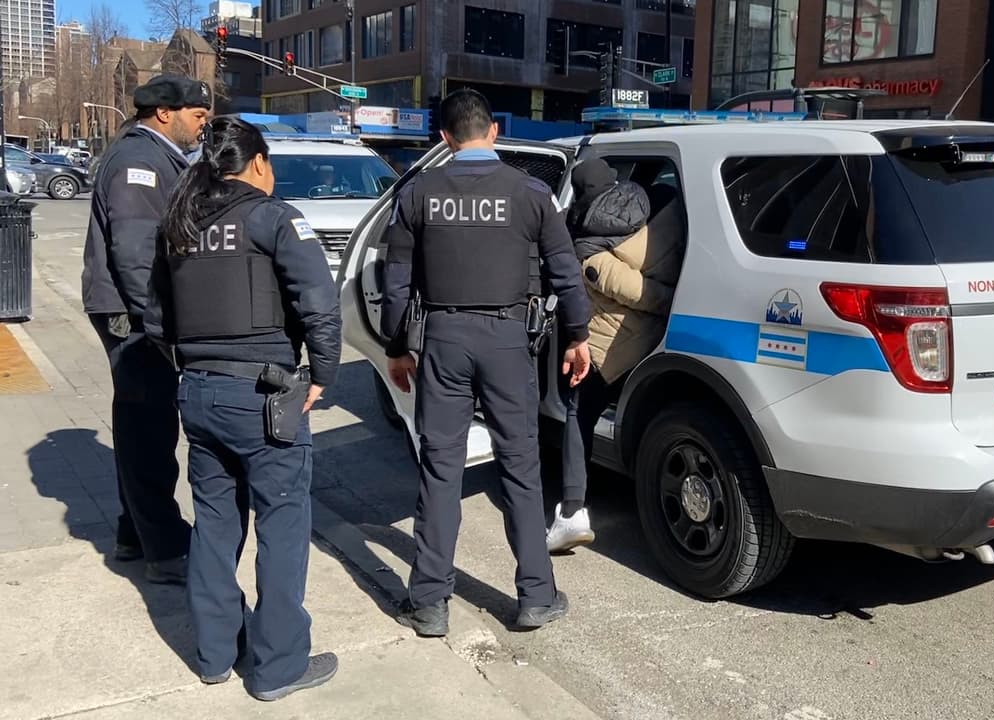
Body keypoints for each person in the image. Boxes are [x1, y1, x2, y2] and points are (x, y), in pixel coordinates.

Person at [380, 88, 593, 635]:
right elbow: (565, 272)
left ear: (445, 138)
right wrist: (576, 335)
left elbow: (395, 279)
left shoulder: (418, 193)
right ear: (493, 131)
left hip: (443, 342)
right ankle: (536, 598)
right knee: (521, 468)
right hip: (506, 341)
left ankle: (428, 602)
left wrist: (395, 346)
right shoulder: (530, 192)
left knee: (440, 469)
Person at [145, 116, 342, 701]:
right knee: (282, 525)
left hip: (199, 392)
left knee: (214, 523)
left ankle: (213, 655)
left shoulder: (179, 223)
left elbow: (156, 318)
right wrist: (323, 374)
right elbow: (320, 304)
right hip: (263, 394)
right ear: (257, 164)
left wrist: (195, 369)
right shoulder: (273, 217)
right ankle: (278, 667)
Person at [81, 74, 211, 583]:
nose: (202, 128)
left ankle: (134, 533)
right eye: (197, 118)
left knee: (141, 425)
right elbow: (136, 255)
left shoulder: (156, 157)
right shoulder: (139, 162)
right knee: (149, 429)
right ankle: (165, 549)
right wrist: (159, 326)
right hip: (134, 316)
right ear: (165, 113)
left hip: (137, 313)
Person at [552, 159, 686, 553]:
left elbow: (640, 294)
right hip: (656, 339)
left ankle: (572, 511)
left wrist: (671, 303)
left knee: (578, 411)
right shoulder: (658, 201)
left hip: (617, 345)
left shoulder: (587, 249)